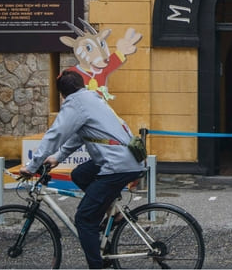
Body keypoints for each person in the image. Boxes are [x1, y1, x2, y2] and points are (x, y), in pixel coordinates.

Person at [19, 68, 145, 269]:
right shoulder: (90, 98)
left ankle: (97, 265)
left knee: (84, 219)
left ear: (61, 94)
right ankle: (113, 213)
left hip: (117, 164)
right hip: (125, 158)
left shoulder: (76, 103)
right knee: (80, 174)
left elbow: (55, 134)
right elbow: (79, 135)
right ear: (82, 84)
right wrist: (57, 158)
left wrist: (32, 165)